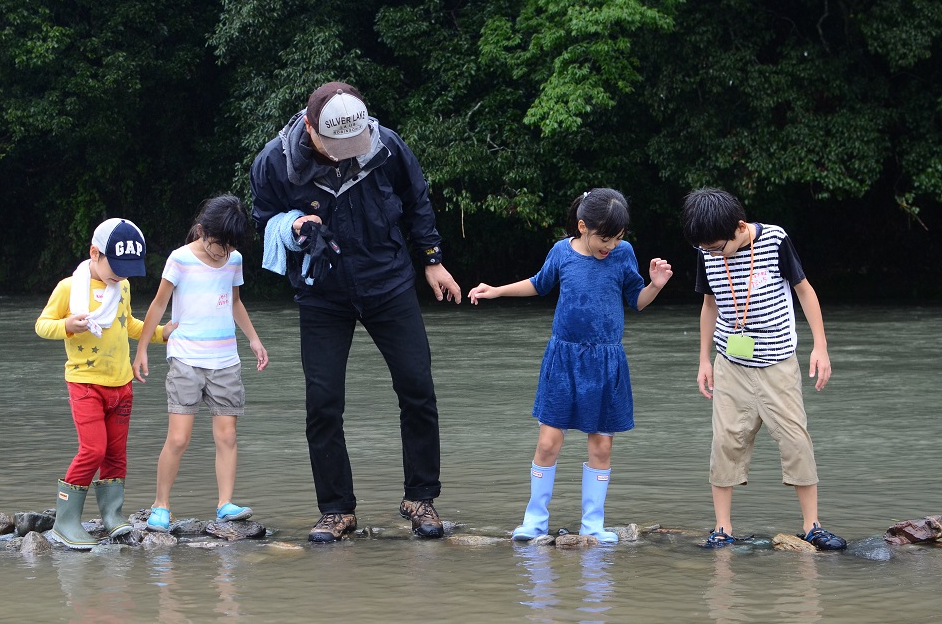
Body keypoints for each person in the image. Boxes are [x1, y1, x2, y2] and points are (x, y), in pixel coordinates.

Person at [250, 81, 461, 542]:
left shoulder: (386, 145)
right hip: (322, 291)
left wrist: (432, 260)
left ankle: (420, 497)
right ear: (310, 127)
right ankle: (336, 509)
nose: (347, 153)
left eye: (353, 144)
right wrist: (294, 225)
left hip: (388, 281)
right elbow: (263, 217)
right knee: (323, 403)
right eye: (335, 146)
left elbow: (416, 201)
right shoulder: (276, 163)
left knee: (417, 387)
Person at [469, 188, 672, 542]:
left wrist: (655, 285)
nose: (610, 245)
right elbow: (538, 284)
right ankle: (535, 520)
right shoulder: (562, 252)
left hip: (607, 360)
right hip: (564, 359)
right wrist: (497, 290)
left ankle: (593, 524)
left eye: (618, 237)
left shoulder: (624, 254)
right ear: (582, 226)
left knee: (602, 445)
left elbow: (636, 301)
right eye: (604, 238)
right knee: (548, 441)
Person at [681, 188, 846, 550]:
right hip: (730, 362)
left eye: (715, 246)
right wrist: (704, 359)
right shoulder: (706, 251)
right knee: (725, 441)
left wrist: (821, 346)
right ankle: (722, 528)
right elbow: (709, 304)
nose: (709, 252)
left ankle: (812, 526)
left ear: (740, 227)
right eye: (704, 248)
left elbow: (805, 290)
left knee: (795, 439)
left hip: (778, 360)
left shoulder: (775, 239)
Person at [132, 195, 269, 532]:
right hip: (186, 359)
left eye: (229, 245)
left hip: (225, 359)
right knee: (179, 438)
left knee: (227, 435)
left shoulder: (233, 260)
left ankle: (225, 505)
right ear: (203, 230)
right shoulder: (179, 259)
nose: (222, 252)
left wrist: (253, 338)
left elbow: (235, 302)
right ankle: (160, 504)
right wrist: (143, 348)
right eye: (218, 243)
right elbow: (158, 303)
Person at [36, 218, 174, 549]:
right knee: (93, 448)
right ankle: (66, 521)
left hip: (121, 383)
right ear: (94, 253)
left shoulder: (121, 287)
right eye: (117, 266)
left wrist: (161, 333)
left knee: (115, 453)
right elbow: (42, 325)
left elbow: (128, 325)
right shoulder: (68, 288)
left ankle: (112, 515)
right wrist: (68, 324)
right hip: (84, 383)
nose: (122, 275)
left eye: (129, 269)